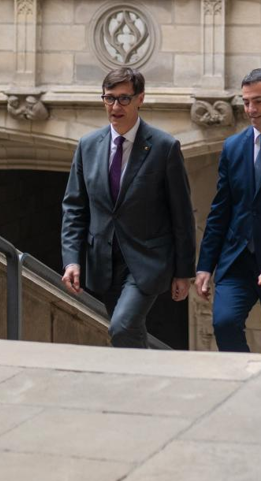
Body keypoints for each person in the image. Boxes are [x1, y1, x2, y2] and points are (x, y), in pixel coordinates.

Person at [60, 67, 196, 348]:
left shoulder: (164, 147)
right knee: (127, 332)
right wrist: (72, 259)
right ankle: (146, 382)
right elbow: (74, 207)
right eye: (109, 98)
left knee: (122, 326)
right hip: (103, 261)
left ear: (140, 99)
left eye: (124, 99)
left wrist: (184, 271)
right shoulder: (87, 146)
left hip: (147, 260)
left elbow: (181, 214)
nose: (115, 106)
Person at [195, 67, 261, 353]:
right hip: (237, 260)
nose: (250, 109)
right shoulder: (233, 147)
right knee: (224, 324)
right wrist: (206, 265)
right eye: (245, 102)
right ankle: (249, 383)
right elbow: (220, 210)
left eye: (258, 101)